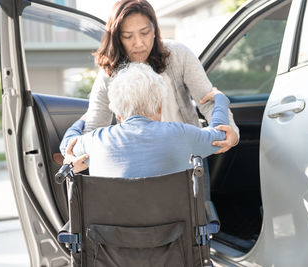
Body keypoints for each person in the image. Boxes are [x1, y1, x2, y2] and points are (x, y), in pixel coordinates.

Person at [85, 0, 239, 152]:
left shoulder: (178, 54)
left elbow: (207, 99)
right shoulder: (108, 73)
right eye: (127, 36)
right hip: (138, 161)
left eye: (144, 33)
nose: (138, 43)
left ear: (154, 31)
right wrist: (78, 152)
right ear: (117, 38)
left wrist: (230, 133)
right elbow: (94, 128)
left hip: (187, 154)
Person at [60, 63, 230, 177]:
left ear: (118, 115)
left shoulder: (95, 141)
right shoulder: (182, 134)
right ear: (160, 107)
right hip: (175, 228)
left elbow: (66, 145)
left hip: (110, 230)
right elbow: (220, 135)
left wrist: (83, 120)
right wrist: (220, 100)